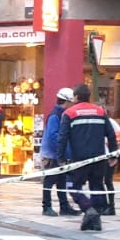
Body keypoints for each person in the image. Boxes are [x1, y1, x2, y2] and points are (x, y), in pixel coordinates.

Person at [54, 84, 119, 232]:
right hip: (99, 158)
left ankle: (89, 210)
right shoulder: (100, 112)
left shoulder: (69, 113)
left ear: (75, 97)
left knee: (73, 186)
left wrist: (61, 158)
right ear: (89, 97)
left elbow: (62, 138)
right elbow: (111, 134)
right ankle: (95, 218)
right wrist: (114, 154)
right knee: (96, 187)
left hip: (80, 159)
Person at [39, 88, 80, 217]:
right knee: (49, 180)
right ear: (66, 101)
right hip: (53, 154)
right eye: (71, 102)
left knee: (61, 180)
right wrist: (62, 152)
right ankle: (47, 207)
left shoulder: (60, 114)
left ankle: (64, 206)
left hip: (57, 153)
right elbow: (53, 136)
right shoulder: (56, 115)